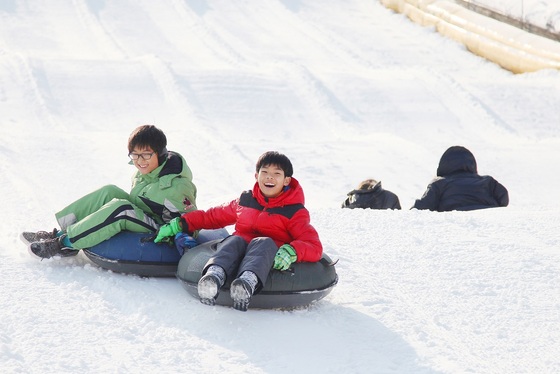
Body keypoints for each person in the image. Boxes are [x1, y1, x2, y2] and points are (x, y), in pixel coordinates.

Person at [154, 151, 323, 311]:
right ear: (257, 176)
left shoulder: (294, 212)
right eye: (265, 172)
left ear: (286, 180)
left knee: (263, 241)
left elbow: (312, 244)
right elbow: (213, 216)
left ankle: (246, 283)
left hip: (266, 255)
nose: (269, 177)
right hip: (238, 250)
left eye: (277, 174)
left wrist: (292, 251)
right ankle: (214, 275)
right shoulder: (246, 201)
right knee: (234, 240)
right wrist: (181, 223)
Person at [24, 125, 198, 258]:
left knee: (122, 209)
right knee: (109, 191)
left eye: (146, 154)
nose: (139, 161)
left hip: (161, 230)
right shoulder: (147, 171)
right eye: (135, 155)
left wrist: (177, 235)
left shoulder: (177, 185)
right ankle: (59, 233)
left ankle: (64, 244)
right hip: (145, 215)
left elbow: (189, 223)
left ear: (160, 154)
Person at [412, 145, 509, 212]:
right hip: (487, 220)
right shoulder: (487, 181)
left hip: (455, 222)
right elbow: (503, 198)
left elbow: (422, 208)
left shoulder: (439, 183)